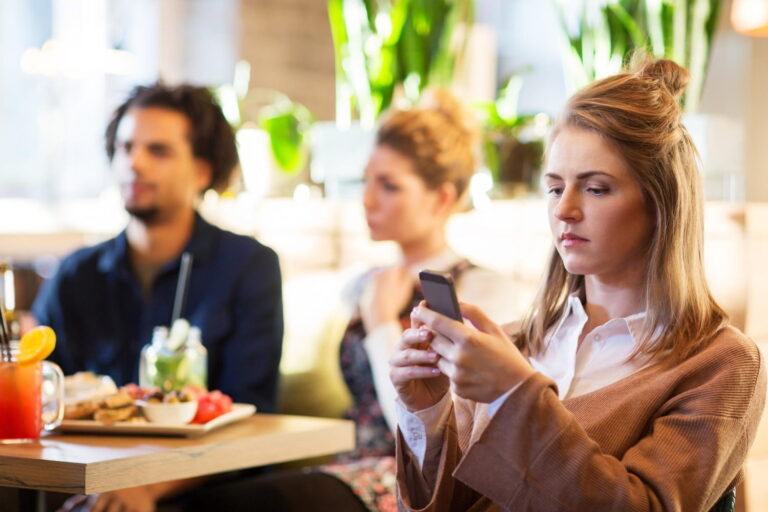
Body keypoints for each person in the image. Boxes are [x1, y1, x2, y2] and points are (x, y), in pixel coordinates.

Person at [390, 56, 766, 511]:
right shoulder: (514, 343)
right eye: (555, 188)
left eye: (595, 188)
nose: (564, 210)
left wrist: (514, 394)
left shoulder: (719, 364)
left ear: (660, 203)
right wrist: (428, 414)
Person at [182, 90, 522, 512]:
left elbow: (427, 432)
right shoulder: (363, 283)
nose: (367, 199)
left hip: (417, 480)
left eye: (389, 186)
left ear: (442, 198)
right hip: (348, 464)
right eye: (366, 181)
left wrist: (381, 322)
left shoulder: (480, 293)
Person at [31, 83, 283, 511]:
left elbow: (252, 414)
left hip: (207, 493)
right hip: (88, 485)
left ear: (202, 170)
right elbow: (44, 399)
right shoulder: (75, 274)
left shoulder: (249, 266)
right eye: (126, 147)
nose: (135, 162)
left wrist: (148, 488)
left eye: (158, 150)